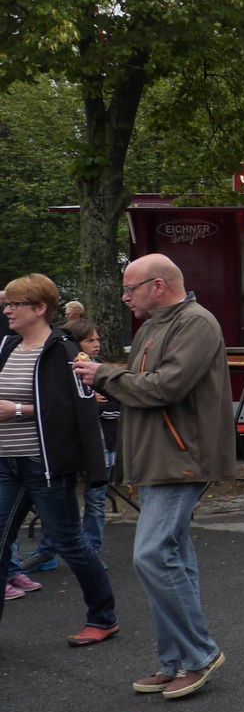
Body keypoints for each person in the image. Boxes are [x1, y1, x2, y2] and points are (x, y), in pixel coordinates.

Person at [74, 254, 233, 698]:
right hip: (162, 456)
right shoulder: (154, 325)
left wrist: (104, 375)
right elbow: (145, 387)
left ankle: (200, 655)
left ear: (158, 286)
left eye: (131, 288)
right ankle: (175, 661)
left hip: (182, 456)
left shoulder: (196, 322)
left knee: (152, 555)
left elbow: (166, 386)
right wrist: (110, 382)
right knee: (172, 556)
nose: (125, 297)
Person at [0, 274, 116, 643]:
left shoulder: (63, 350)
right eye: (6, 304)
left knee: (71, 544)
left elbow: (75, 410)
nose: (7, 310)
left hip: (45, 465)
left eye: (15, 305)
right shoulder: (7, 346)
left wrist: (17, 410)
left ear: (40, 309)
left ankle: (103, 618)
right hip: (7, 463)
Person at [63, 318, 120, 557]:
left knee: (96, 500)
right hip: (71, 445)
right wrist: (87, 401)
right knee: (62, 501)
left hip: (103, 444)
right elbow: (58, 409)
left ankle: (92, 551)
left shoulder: (103, 371)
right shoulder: (61, 371)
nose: (96, 344)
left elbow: (116, 406)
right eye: (89, 340)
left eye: (98, 339)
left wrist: (90, 405)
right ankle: (50, 550)